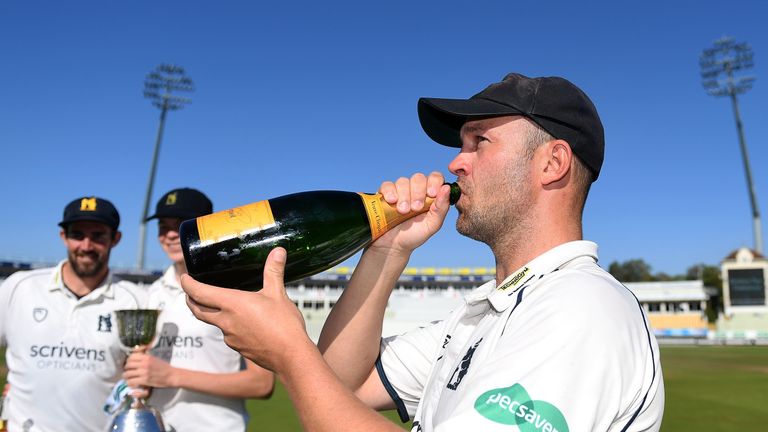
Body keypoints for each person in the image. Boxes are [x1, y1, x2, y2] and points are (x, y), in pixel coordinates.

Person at [181, 73, 665, 431]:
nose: (456, 162)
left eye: (480, 142)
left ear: (552, 163)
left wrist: (289, 352)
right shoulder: (486, 311)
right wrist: (387, 251)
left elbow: (313, 379)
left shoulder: (580, 307)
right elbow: (339, 385)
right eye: (461, 145)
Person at [123, 188, 274, 432]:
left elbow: (261, 383)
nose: (170, 234)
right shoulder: (151, 295)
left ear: (206, 227)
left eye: (180, 224)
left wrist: (171, 376)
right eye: (163, 226)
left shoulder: (234, 289)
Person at [0, 196, 146, 432]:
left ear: (115, 239)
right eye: (77, 235)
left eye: (98, 236)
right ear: (63, 237)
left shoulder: (134, 299)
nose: (86, 246)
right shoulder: (19, 287)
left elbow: (143, 373)